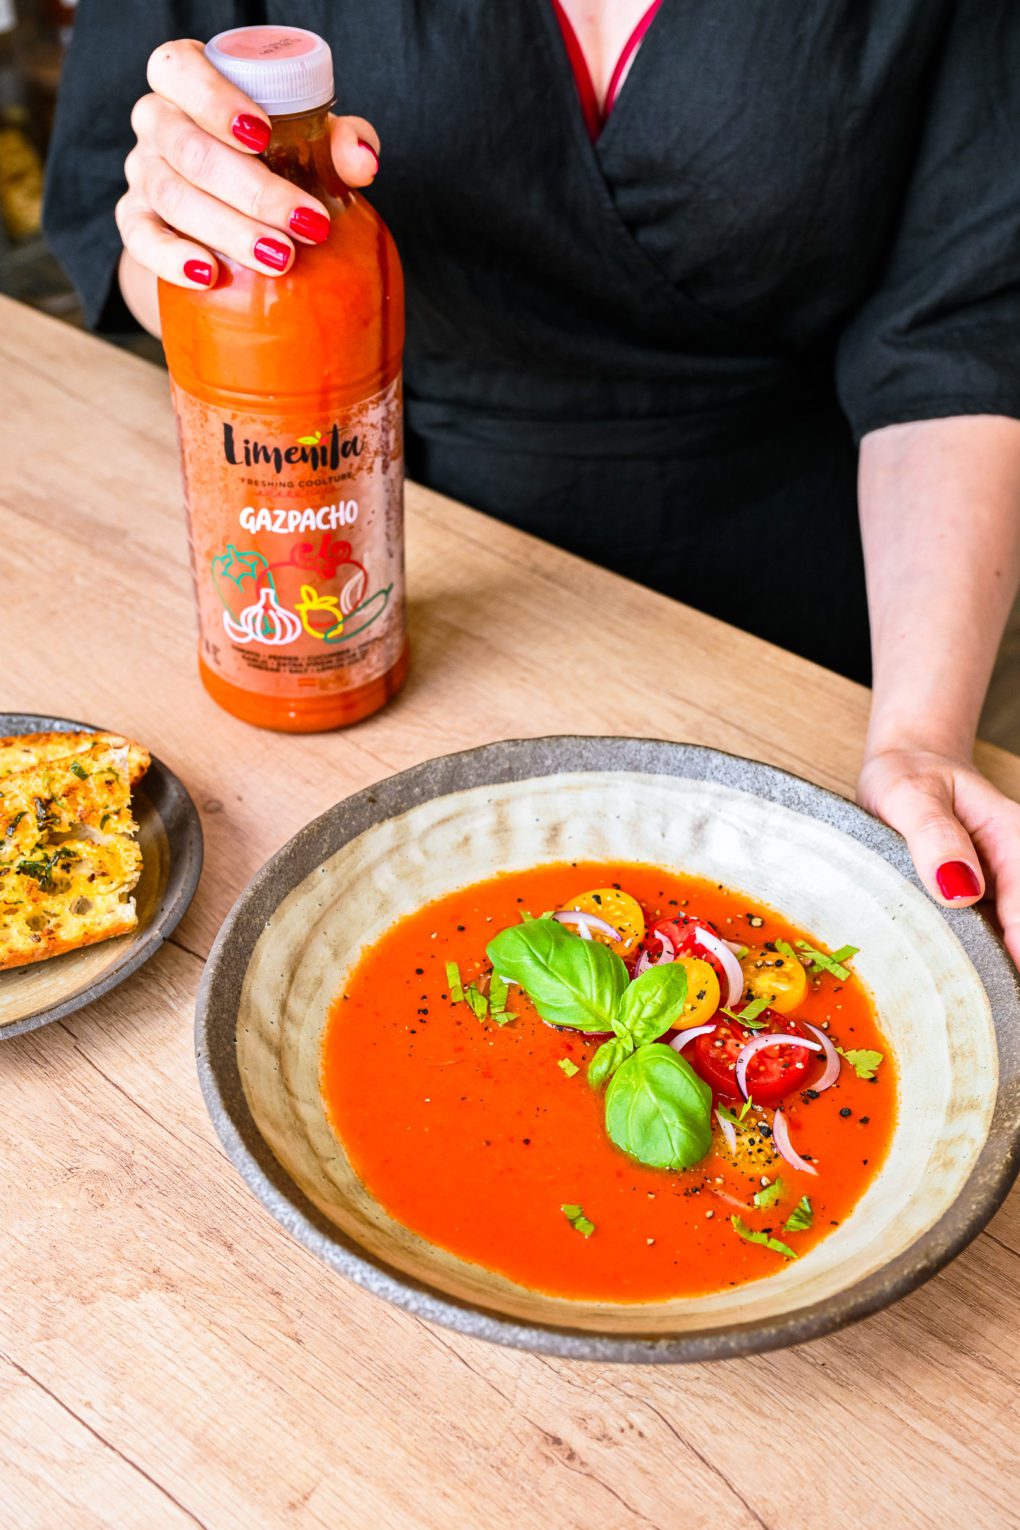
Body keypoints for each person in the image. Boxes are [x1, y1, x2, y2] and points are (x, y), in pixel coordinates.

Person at [44, 2, 1020, 964]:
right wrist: (196, 246)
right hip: (384, 556)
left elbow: (956, 334)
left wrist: (921, 738)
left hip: (806, 605)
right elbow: (119, 233)